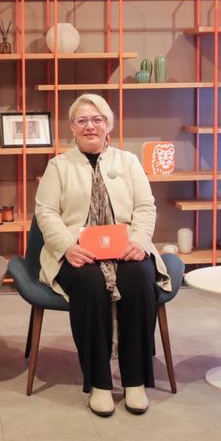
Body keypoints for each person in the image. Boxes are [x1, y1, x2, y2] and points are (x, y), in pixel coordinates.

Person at [34, 93, 171, 417]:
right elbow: (46, 212)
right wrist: (67, 247)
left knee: (139, 279)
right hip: (77, 249)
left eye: (97, 119)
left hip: (126, 247)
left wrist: (139, 241)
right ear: (72, 127)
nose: (90, 126)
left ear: (109, 125)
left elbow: (145, 207)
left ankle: (135, 380)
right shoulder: (58, 166)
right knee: (89, 283)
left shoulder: (128, 162)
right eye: (82, 120)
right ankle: (99, 382)